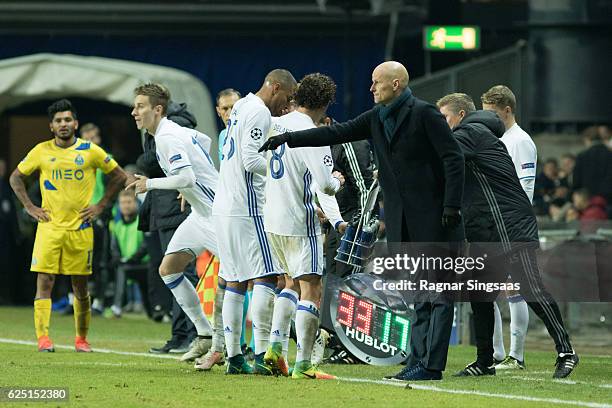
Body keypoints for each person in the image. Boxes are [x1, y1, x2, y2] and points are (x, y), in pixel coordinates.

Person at [260, 61, 465, 381]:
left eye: (376, 82)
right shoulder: (376, 118)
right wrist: (287, 140)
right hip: (401, 219)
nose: (371, 88)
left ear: (396, 84)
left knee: (436, 292)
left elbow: (453, 158)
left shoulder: (424, 114)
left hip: (433, 217)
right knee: (415, 291)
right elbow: (335, 131)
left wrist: (451, 205)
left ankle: (431, 364)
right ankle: (417, 357)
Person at [436, 93, 579, 379]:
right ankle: (484, 361)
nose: (442, 125)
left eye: (444, 118)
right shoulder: (474, 134)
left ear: (461, 116)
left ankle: (566, 351)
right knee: (479, 294)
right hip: (486, 227)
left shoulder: (471, 133)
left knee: (530, 288)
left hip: (508, 225)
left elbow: (440, 154)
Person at [9, 99, 127, 352]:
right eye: (58, 121)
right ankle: (43, 339)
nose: (63, 124)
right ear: (51, 126)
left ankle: (81, 339)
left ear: (75, 123)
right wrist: (30, 207)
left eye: (67, 120)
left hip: (80, 228)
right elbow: (16, 177)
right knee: (45, 280)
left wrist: (101, 205)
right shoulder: (41, 151)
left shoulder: (90, 151)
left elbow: (119, 176)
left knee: (80, 285)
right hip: (49, 227)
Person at [127, 83, 221, 364]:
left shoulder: (167, 137)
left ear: (157, 110)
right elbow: (203, 143)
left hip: (218, 215)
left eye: (140, 106)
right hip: (200, 214)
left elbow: (188, 177)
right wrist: (189, 190)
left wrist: (150, 183)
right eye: (135, 106)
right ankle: (204, 335)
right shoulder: (172, 132)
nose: (134, 112)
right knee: (169, 269)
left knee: (247, 281)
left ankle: (257, 343)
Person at [261, 73, 345, 379]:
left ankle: (274, 349)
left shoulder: (277, 123)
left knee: (289, 284)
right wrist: (336, 179)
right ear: (325, 103)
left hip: (272, 218)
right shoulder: (312, 133)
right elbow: (324, 185)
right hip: (299, 219)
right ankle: (305, 363)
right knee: (312, 287)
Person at [213, 69, 297, 374]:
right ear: (275, 87)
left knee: (234, 280)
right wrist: (280, 174)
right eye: (286, 97)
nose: (286, 104)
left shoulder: (243, 106)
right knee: (267, 276)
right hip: (247, 208)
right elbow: (250, 159)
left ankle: (234, 357)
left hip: (224, 207)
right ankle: (262, 354)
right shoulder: (259, 112)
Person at [481, 85, 536, 371]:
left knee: (514, 291)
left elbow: (525, 188)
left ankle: (517, 355)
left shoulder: (521, 141)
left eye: (493, 114)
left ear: (507, 110)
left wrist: (509, 223)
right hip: (493, 227)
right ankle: (496, 352)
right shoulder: (496, 139)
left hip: (512, 228)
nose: (488, 120)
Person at [79, 123, 112, 315]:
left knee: (100, 262)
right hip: (78, 218)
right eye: (88, 139)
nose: (92, 142)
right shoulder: (72, 161)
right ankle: (73, 299)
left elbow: (114, 188)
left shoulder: (108, 162)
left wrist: (102, 211)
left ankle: (99, 301)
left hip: (99, 220)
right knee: (75, 261)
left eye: (95, 138)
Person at [109, 189, 149, 318]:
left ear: (136, 203)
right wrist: (119, 259)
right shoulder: (118, 225)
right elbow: (114, 248)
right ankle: (117, 307)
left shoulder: (142, 220)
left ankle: (153, 309)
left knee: (123, 269)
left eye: (129, 202)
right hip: (128, 265)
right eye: (122, 202)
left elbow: (146, 245)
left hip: (144, 264)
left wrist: (132, 259)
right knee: (120, 268)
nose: (126, 205)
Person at [216, 89, 242, 162]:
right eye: (225, 108)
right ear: (218, 111)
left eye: (234, 108)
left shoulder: (249, 132)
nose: (230, 113)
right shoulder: (222, 135)